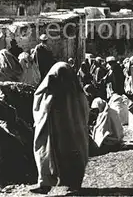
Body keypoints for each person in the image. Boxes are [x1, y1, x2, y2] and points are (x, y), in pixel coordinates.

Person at [31, 62, 89, 194]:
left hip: (71, 132)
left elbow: (83, 113)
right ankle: (44, 183)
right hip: (52, 130)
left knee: (73, 153)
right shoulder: (50, 90)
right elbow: (40, 106)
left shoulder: (77, 94)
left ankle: (74, 184)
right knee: (45, 151)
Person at [100, 56, 129, 125]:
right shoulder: (117, 69)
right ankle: (122, 119)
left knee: (117, 105)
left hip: (116, 90)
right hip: (119, 90)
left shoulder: (114, 70)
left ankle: (118, 119)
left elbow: (107, 79)